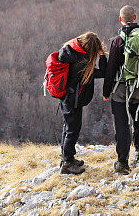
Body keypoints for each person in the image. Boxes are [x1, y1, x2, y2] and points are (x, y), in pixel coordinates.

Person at [103, 5, 139, 174]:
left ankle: (122, 163)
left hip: (121, 88)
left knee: (121, 123)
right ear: (135, 17)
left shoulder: (119, 40)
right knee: (138, 118)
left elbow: (111, 69)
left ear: (120, 19)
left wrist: (106, 92)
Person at [58, 31, 107, 174]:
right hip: (73, 100)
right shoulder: (82, 64)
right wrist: (102, 55)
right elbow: (102, 72)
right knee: (72, 130)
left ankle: (67, 159)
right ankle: (67, 163)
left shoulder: (71, 52)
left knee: (68, 128)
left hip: (67, 97)